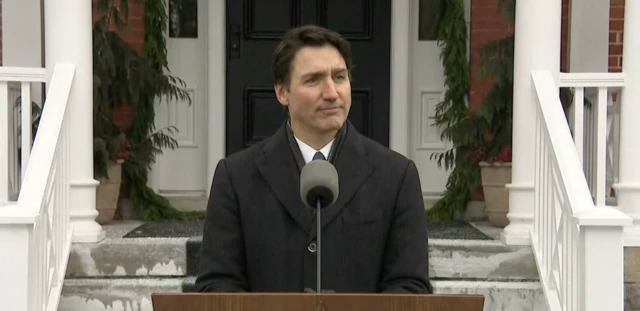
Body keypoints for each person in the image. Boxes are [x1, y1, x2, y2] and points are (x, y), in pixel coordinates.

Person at [194, 25, 433, 294]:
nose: (332, 93)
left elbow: (410, 286)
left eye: (339, 77)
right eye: (314, 80)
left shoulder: (396, 176)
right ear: (282, 92)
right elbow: (217, 284)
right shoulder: (236, 177)